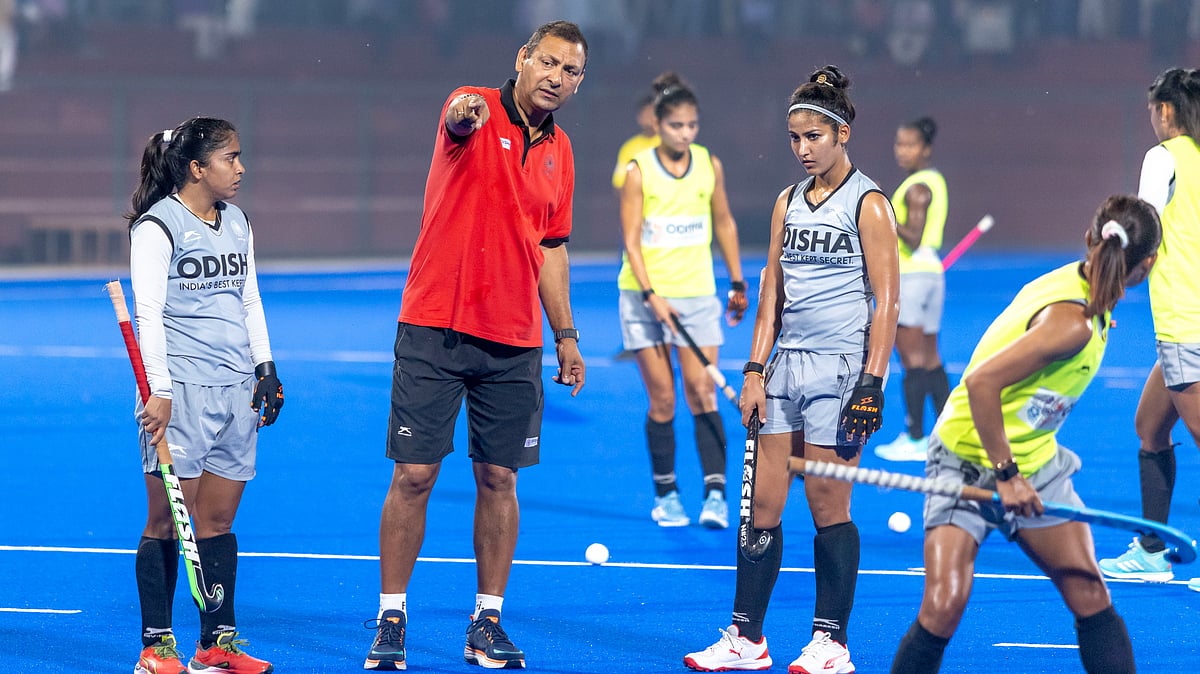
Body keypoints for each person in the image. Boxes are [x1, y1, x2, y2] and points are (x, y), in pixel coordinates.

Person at [363, 20, 588, 671]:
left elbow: (551, 246)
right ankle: (391, 618)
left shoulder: (562, 151)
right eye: (547, 62)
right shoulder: (473, 106)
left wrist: (565, 335)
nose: (556, 77)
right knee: (414, 475)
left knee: (499, 477)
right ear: (522, 58)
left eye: (570, 71)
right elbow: (459, 121)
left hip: (514, 340)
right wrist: (464, 115)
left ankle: (486, 621)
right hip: (435, 325)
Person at [683, 65, 899, 673]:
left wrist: (872, 383)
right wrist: (753, 369)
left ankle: (831, 642)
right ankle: (746, 638)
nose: (803, 149)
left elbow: (887, 302)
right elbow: (772, 288)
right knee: (762, 507)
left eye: (814, 137)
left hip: (839, 372)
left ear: (843, 134)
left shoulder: (870, 203)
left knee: (830, 505)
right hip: (783, 370)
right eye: (795, 139)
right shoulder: (786, 202)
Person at [889, 195, 1160, 673]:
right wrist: (1007, 475)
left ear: (1089, 240)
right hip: (968, 459)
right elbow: (981, 382)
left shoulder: (1086, 304)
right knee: (942, 606)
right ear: (1151, 264)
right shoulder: (1071, 322)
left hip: (1037, 464)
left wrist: (1021, 471)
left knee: (1090, 593)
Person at [127, 117, 283, 674]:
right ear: (197, 168)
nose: (240, 169)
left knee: (216, 523)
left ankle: (216, 643)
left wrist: (265, 367)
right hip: (182, 394)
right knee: (168, 522)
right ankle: (156, 646)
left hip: (237, 390)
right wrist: (161, 392)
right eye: (230, 158)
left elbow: (250, 300)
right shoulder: (157, 227)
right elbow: (147, 314)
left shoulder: (237, 220)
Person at [617, 71, 748, 529]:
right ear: (658, 123)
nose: (686, 133)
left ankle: (715, 495)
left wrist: (736, 281)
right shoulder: (639, 171)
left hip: (696, 294)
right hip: (643, 297)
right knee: (664, 400)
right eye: (676, 126)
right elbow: (631, 239)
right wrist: (651, 293)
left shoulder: (709, 165)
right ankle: (667, 494)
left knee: (702, 391)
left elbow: (725, 222)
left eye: (692, 125)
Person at [1098, 67, 1200, 593]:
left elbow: (1143, 227)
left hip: (1187, 321)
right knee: (1151, 429)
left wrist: (1108, 286)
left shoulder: (1162, 158)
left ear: (1164, 112)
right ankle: (1152, 550)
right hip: (1186, 325)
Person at [874, 116, 951, 462]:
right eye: (899, 144)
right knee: (931, 358)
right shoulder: (934, 180)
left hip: (913, 277)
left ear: (926, 149)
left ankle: (916, 436)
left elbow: (913, 235)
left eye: (910, 145)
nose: (902, 151)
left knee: (912, 361)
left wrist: (884, 209)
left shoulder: (917, 188)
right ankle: (950, 432)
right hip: (932, 273)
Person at [612, 91, 659, 196]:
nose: (649, 118)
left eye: (652, 113)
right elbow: (618, 184)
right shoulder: (629, 148)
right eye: (645, 113)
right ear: (639, 117)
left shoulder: (667, 143)